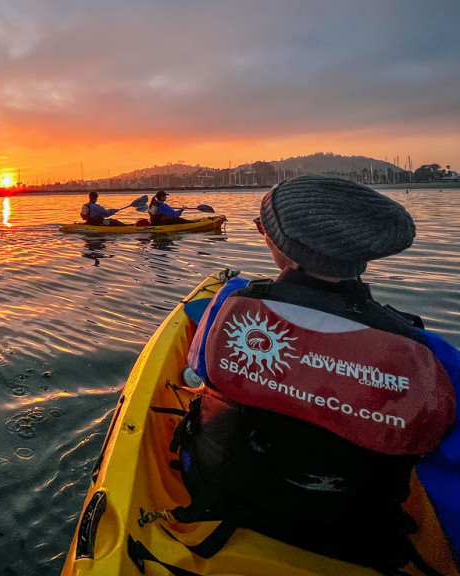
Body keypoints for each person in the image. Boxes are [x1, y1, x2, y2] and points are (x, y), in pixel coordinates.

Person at [174, 176, 460, 572]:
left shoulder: (231, 307)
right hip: (356, 532)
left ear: (281, 246)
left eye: (264, 230)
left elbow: (204, 370)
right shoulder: (424, 351)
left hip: (224, 496)